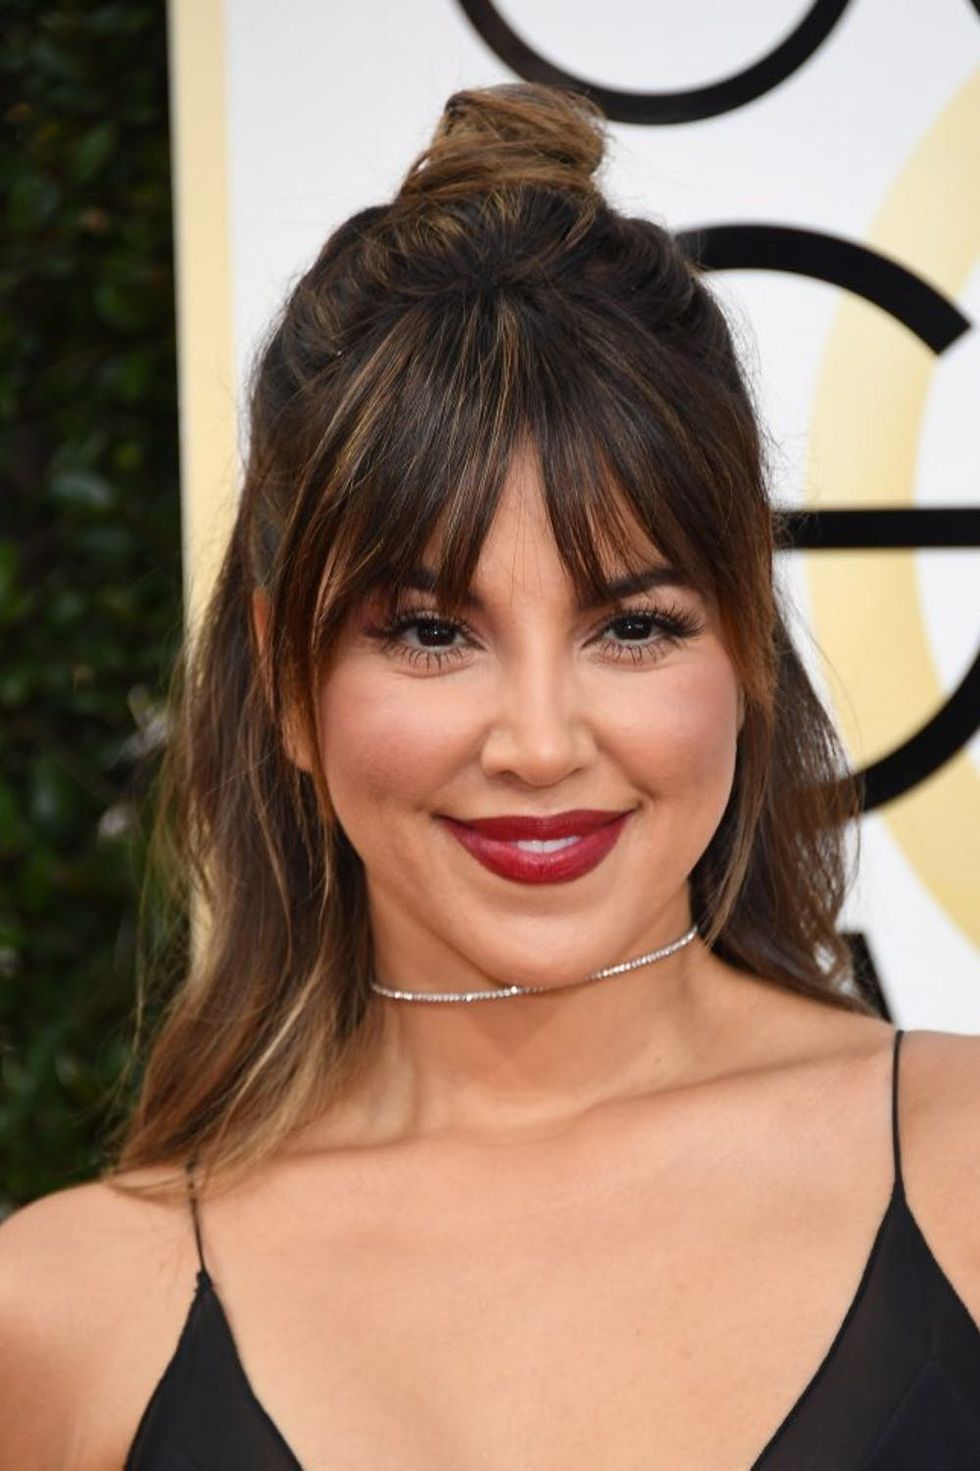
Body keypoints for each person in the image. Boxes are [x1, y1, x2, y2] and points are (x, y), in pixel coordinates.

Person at [1, 80, 978, 1471]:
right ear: (287, 679)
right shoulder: (66, 1321)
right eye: (430, 631)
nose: (536, 741)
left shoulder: (965, 1172)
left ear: (748, 643)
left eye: (632, 627)